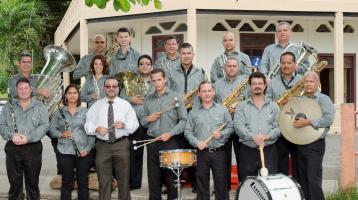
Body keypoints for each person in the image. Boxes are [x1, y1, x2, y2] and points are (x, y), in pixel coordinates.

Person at [85, 77, 139, 200]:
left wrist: (124, 125)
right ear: (104, 88)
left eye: (114, 86)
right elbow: (87, 125)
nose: (111, 89)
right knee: (103, 181)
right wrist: (97, 128)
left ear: (118, 88)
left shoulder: (126, 105)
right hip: (102, 146)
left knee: (124, 180)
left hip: (121, 145)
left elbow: (135, 125)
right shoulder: (96, 106)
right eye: (108, 86)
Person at [140, 69, 187, 200]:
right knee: (153, 178)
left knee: (171, 178)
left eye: (159, 80)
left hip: (170, 141)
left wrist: (170, 134)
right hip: (152, 141)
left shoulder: (175, 97)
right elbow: (143, 121)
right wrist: (148, 119)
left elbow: (184, 121)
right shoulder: (148, 99)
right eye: (153, 80)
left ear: (165, 79)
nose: (156, 83)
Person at [0, 77, 49, 200]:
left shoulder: (40, 107)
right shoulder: (8, 107)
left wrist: (28, 138)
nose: (23, 91)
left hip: (33, 148)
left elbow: (44, 125)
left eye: (26, 88)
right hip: (13, 148)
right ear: (16, 91)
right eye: (20, 88)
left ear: (31, 89)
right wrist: (12, 135)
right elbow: (2, 125)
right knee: (15, 185)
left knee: (32, 184)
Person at [184, 81, 233, 200]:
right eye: (204, 91)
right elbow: (187, 132)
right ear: (199, 94)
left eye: (209, 91)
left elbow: (231, 127)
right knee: (201, 184)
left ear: (214, 92)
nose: (207, 93)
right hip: (202, 153)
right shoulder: (193, 112)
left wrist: (221, 134)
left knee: (221, 184)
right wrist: (196, 142)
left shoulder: (222, 110)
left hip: (219, 152)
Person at [293, 71, 335, 200]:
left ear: (317, 83)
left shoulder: (324, 99)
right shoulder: (301, 100)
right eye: (306, 82)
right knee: (302, 178)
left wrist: (309, 122)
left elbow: (329, 119)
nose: (308, 84)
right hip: (301, 143)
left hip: (316, 144)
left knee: (313, 178)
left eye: (311, 81)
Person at [50, 84, 95, 200]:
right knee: (66, 182)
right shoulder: (59, 112)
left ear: (78, 95)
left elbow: (91, 132)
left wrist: (88, 148)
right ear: (65, 95)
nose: (72, 95)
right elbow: (51, 128)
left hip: (83, 151)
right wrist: (61, 134)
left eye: (75, 93)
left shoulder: (86, 111)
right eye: (69, 93)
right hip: (64, 151)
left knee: (83, 181)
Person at [233, 72, 280, 181]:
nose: (257, 86)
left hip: (269, 151)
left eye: (260, 83)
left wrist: (267, 136)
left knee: (270, 184)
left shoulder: (274, 106)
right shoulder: (241, 106)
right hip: (248, 151)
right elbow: (238, 126)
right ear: (250, 86)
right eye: (254, 83)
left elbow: (279, 127)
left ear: (265, 86)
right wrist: (253, 137)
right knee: (248, 184)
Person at [120, 54, 155, 190]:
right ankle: (133, 184)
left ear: (152, 66)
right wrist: (131, 99)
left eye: (147, 63)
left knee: (153, 157)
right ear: (138, 67)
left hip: (152, 123)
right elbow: (121, 97)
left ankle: (155, 185)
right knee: (134, 155)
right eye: (141, 64)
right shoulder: (130, 81)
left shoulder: (156, 81)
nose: (144, 66)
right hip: (134, 124)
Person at [213, 57, 250, 189]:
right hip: (223, 125)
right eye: (229, 66)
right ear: (224, 68)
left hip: (241, 123)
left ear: (238, 68)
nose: (232, 68)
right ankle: (224, 187)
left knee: (243, 158)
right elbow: (214, 104)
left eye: (234, 66)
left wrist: (239, 105)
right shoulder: (217, 84)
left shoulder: (246, 82)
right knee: (223, 158)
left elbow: (250, 100)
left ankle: (244, 186)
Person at [265, 51, 302, 179]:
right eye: (283, 63)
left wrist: (295, 101)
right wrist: (278, 103)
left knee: (298, 161)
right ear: (280, 64)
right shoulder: (272, 83)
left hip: (297, 126)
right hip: (279, 126)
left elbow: (308, 102)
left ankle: (298, 190)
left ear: (295, 64)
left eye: (289, 63)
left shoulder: (302, 80)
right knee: (281, 161)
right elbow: (267, 104)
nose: (286, 65)